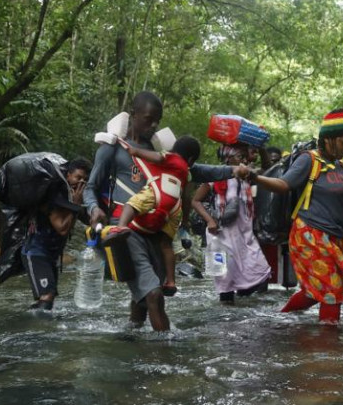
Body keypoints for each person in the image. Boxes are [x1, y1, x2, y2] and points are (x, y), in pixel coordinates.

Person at [83, 91, 236, 331]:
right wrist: (93, 208)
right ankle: (164, 350)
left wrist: (234, 171)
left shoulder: (160, 152)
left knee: (143, 299)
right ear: (133, 114)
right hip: (127, 230)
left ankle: (130, 335)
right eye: (148, 119)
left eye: (158, 120)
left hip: (156, 231)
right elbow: (90, 187)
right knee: (154, 295)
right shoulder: (112, 149)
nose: (154, 125)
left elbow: (197, 170)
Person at [245, 108, 343, 324]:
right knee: (332, 291)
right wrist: (255, 178)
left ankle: (279, 321)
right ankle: (328, 340)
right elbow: (283, 184)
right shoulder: (308, 160)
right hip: (310, 235)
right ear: (329, 140)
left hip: (334, 237)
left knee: (315, 291)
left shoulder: (338, 165)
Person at [101, 135, 202, 297]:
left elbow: (157, 157)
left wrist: (136, 151)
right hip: (175, 207)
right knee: (166, 245)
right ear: (190, 159)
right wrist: (185, 221)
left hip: (158, 193)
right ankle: (171, 281)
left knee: (131, 204)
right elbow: (186, 198)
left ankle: (121, 227)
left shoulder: (172, 158)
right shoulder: (186, 171)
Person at [192, 144, 271, 303]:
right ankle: (227, 313)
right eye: (240, 157)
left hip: (244, 236)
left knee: (261, 275)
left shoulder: (247, 175)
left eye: (245, 157)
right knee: (224, 281)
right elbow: (195, 200)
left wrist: (261, 148)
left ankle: (243, 304)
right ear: (228, 159)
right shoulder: (215, 177)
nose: (244, 160)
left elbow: (266, 169)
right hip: (219, 235)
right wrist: (209, 220)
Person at [23, 158, 91, 310]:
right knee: (47, 296)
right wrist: (76, 205)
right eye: (78, 177)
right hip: (36, 252)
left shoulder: (71, 196)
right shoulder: (51, 196)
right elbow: (62, 228)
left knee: (49, 297)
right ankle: (34, 323)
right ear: (68, 175)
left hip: (51, 254)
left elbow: (86, 219)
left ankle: (32, 319)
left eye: (85, 180)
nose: (81, 182)